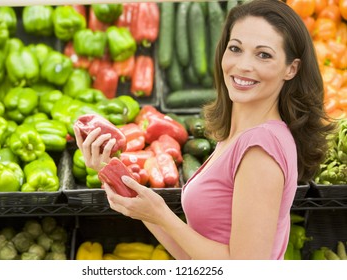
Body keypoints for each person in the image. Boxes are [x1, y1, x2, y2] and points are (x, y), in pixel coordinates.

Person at [74, 0, 335, 260]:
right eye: (235, 48)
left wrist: (163, 214)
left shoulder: (260, 149)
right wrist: (112, 172)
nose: (243, 65)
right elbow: (194, 259)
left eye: (263, 54)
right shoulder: (239, 135)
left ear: (291, 68)